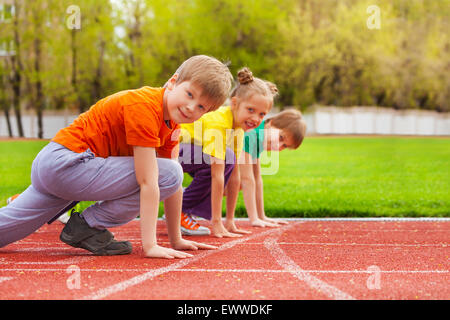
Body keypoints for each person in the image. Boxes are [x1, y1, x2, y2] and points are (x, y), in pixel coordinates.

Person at [0, 55, 233, 258]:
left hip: (58, 168)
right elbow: (149, 181)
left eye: (201, 107)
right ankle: (88, 225)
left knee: (5, 229)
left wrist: (176, 240)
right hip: (68, 164)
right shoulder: (144, 105)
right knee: (169, 172)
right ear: (173, 82)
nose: (192, 107)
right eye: (190, 94)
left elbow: (172, 187)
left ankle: (85, 226)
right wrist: (150, 246)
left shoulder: (172, 127)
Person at [177, 67, 278, 237]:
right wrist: (216, 223)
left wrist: (230, 221)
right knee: (222, 163)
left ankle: (183, 203)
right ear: (235, 103)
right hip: (171, 151)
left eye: (262, 114)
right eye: (251, 110)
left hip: (191, 155)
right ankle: (180, 209)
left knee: (229, 165)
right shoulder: (220, 123)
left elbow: (234, 176)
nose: (255, 118)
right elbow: (217, 175)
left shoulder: (238, 129)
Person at [238, 109, 307, 227]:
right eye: (280, 138)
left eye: (284, 146)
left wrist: (262, 216)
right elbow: (247, 179)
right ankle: (197, 210)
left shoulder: (260, 138)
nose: (278, 146)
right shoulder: (252, 134)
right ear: (271, 123)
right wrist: (254, 219)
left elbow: (257, 178)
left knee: (240, 182)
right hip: (205, 160)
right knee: (237, 182)